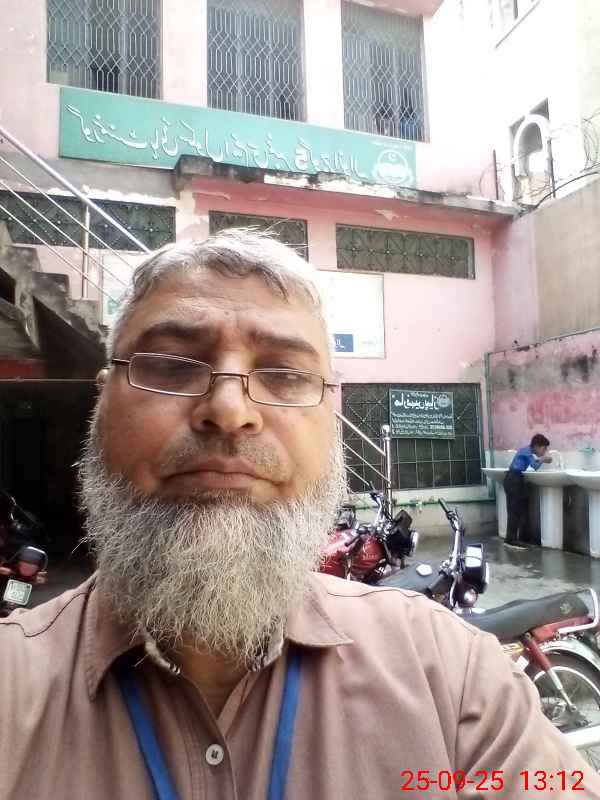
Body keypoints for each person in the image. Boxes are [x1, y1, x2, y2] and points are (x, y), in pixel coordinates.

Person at [0, 230, 598, 800]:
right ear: (102, 401)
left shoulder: (451, 676)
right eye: (175, 365)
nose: (229, 411)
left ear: (329, 419)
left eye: (285, 374)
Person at [504, 433, 552, 550]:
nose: (544, 451)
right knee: (514, 511)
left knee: (519, 510)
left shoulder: (527, 451)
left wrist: (541, 459)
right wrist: (543, 459)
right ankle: (511, 540)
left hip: (516, 479)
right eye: (544, 449)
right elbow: (534, 466)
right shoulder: (527, 452)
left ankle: (518, 538)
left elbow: (533, 466)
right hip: (513, 479)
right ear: (536, 446)